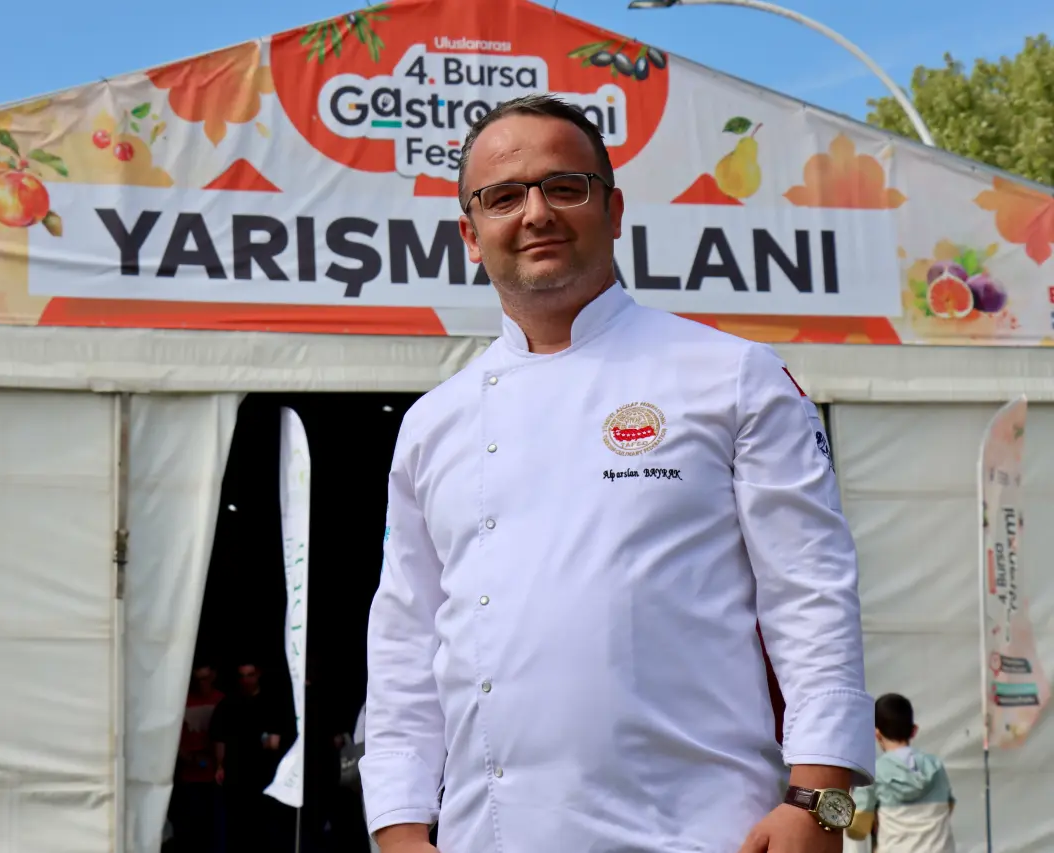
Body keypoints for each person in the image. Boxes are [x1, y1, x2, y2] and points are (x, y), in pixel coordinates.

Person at [359, 93, 876, 853]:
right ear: (470, 234)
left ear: (614, 209)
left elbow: (811, 593)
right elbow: (405, 640)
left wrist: (819, 799)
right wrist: (398, 825)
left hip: (705, 833)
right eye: (504, 197)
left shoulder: (732, 375)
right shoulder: (434, 423)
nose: (536, 213)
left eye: (564, 187)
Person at [849, 694, 956, 852]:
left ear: (877, 734)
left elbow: (858, 827)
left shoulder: (875, 772)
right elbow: (948, 806)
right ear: (914, 731)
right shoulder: (936, 766)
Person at [210, 662, 294, 853]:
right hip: (237, 775)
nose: (246, 680)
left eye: (250, 675)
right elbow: (219, 738)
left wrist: (275, 742)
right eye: (242, 675)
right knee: (237, 828)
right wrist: (220, 765)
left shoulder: (272, 703)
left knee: (265, 828)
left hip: (265, 775)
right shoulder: (228, 704)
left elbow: (280, 739)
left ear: (258, 675)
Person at [171, 663, 225, 852]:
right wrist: (195, 761)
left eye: (205, 678)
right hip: (190, 775)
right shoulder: (183, 702)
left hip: (216, 777)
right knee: (191, 831)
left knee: (214, 831)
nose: (202, 683)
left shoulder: (222, 700)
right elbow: (173, 740)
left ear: (214, 676)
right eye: (198, 679)